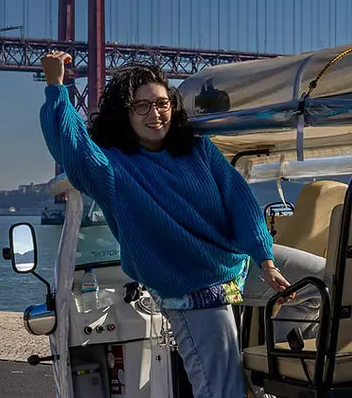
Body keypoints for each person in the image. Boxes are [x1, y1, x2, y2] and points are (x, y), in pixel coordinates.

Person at [39, 51, 290, 397]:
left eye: (160, 103)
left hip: (237, 267)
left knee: (320, 282)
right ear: (124, 114)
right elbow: (73, 148)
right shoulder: (113, 170)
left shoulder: (199, 150)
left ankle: (279, 373)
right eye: (141, 106)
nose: (154, 114)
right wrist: (56, 85)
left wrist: (266, 259)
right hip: (193, 292)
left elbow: (239, 200)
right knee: (221, 390)